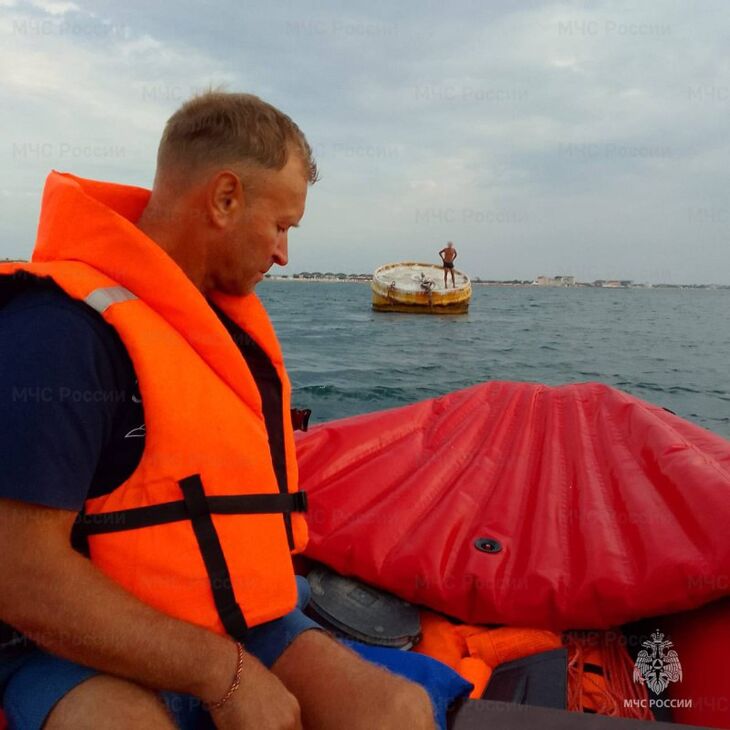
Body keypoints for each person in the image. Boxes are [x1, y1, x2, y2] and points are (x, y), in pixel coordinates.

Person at [0, 92, 435, 729]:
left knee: (396, 710)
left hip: (233, 618)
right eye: (281, 225)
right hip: (65, 648)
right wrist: (220, 674)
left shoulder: (218, 330)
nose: (284, 253)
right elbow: (19, 572)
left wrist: (231, 659)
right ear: (225, 198)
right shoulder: (59, 332)